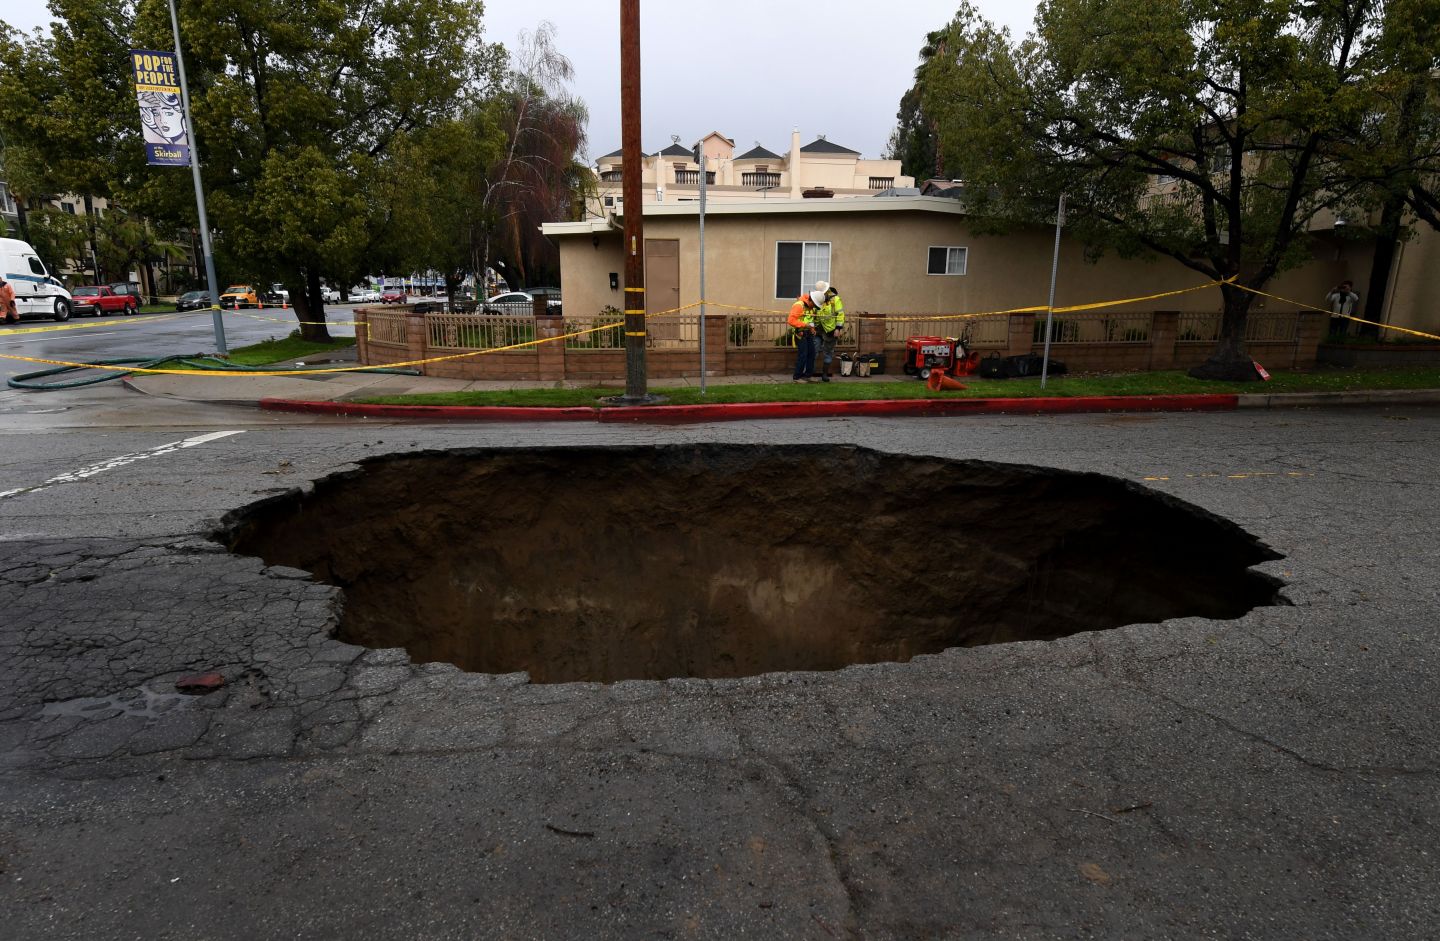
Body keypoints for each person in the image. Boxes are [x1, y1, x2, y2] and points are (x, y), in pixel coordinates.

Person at [812, 280, 846, 382]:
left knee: (828, 352)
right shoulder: (818, 298)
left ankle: (825, 374)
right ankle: (809, 374)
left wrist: (838, 328)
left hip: (831, 330)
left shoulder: (835, 299)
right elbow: (815, 312)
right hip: (818, 329)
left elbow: (840, 314)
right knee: (814, 351)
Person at [788, 288, 824, 382]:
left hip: (808, 333)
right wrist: (805, 325)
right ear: (811, 300)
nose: (815, 307)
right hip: (800, 333)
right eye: (815, 305)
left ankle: (808, 376)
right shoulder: (799, 305)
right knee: (803, 355)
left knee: (811, 354)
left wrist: (812, 329)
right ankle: (797, 377)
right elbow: (791, 321)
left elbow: (808, 319)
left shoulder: (809, 307)